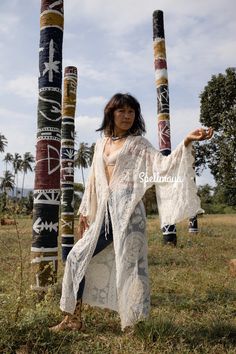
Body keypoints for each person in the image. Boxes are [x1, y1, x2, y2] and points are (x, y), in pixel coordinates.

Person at [50, 93, 213, 332]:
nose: (127, 116)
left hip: (129, 214)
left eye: (131, 112)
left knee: (130, 267)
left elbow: (163, 166)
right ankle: (73, 318)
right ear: (111, 114)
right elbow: (95, 180)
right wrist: (86, 211)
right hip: (103, 216)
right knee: (76, 258)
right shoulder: (100, 143)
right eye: (121, 111)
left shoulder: (137, 144)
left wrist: (187, 140)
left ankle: (132, 323)